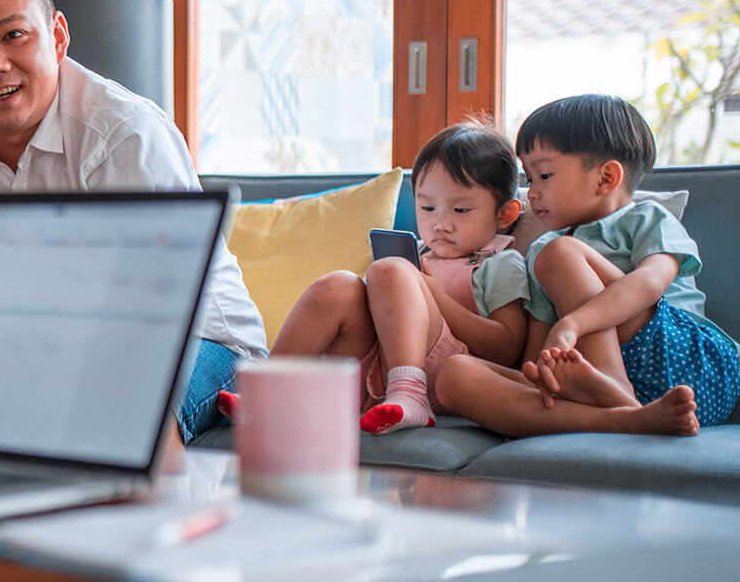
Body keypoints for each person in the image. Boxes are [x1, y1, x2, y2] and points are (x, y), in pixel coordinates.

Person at [0, 0, 268, 442]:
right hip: (38, 351)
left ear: (57, 36)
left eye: (14, 35)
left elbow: (149, 320)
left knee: (117, 409)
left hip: (198, 343)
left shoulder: (125, 135)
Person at [436, 95, 740, 437]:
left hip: (688, 365)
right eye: (528, 178)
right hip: (631, 398)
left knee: (562, 253)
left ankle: (615, 391)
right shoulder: (541, 251)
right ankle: (624, 419)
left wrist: (573, 324)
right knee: (453, 376)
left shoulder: (646, 218)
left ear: (606, 177)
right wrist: (543, 375)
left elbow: (649, 285)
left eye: (544, 175)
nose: (531, 192)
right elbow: (539, 353)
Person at [218, 122, 533, 434]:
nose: (441, 224)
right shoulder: (416, 253)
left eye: (460, 210)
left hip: (447, 379)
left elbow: (506, 350)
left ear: (505, 214)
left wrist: (436, 296)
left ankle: (410, 394)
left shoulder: (501, 263)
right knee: (338, 286)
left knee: (390, 269)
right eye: (427, 207)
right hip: (377, 370)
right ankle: (266, 390)